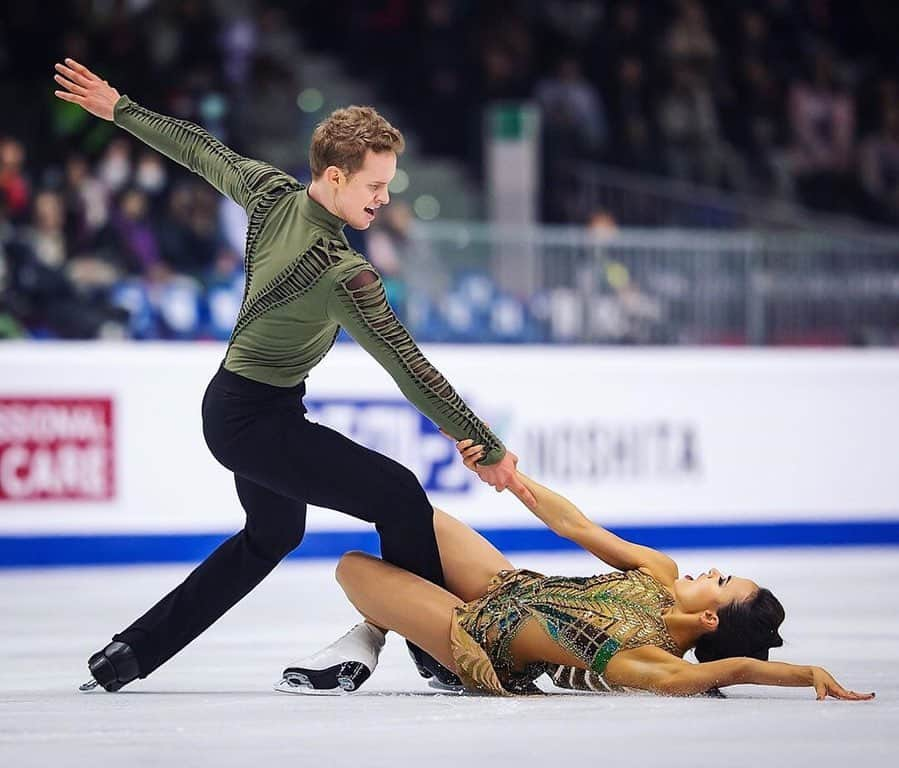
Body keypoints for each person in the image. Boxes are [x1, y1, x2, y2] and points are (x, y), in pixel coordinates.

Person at [53, 57, 536, 694]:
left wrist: (120, 108)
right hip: (254, 419)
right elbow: (409, 366)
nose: (384, 199)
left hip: (235, 407)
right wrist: (486, 444)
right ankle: (439, 653)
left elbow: (201, 150)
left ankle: (130, 653)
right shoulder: (344, 272)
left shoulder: (270, 193)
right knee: (397, 495)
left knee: (273, 533)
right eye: (374, 186)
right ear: (335, 178)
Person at [302, 437, 874, 701]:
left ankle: (397, 639)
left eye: (722, 585)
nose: (715, 570)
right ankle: (382, 624)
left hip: (478, 640)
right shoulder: (659, 570)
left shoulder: (644, 660)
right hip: (509, 584)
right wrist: (510, 477)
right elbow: (578, 527)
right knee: (413, 511)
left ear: (708, 621)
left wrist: (803, 674)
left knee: (352, 567)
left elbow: (730, 672)